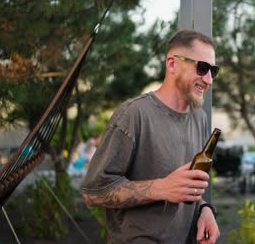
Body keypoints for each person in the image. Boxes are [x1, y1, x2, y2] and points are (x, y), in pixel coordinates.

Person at [81, 29, 220, 243]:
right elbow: (93, 192)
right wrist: (162, 188)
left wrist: (204, 209)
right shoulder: (133, 114)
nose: (209, 79)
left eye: (213, 70)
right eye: (202, 68)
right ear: (172, 64)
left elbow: (187, 186)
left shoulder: (199, 118)